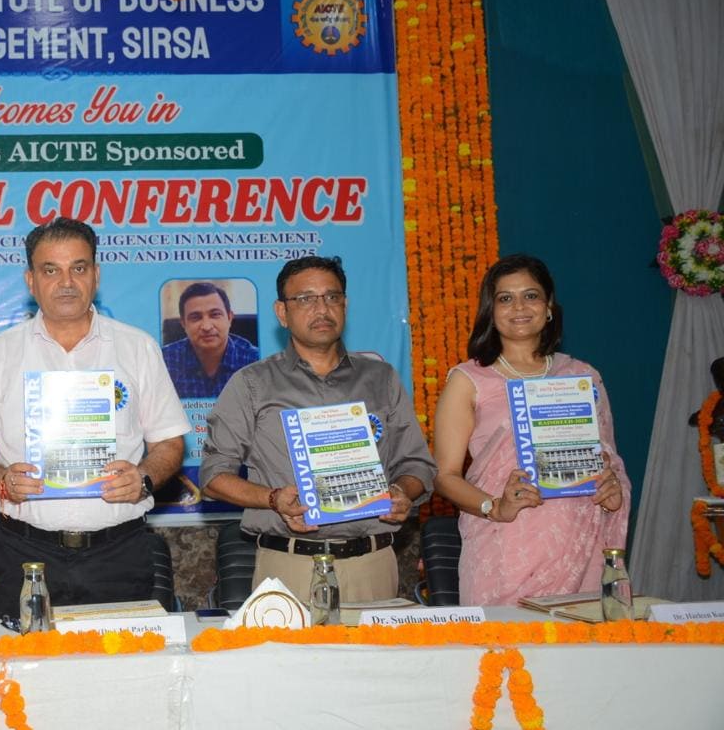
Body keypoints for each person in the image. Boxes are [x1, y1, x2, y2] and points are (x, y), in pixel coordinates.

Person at [0, 217, 190, 619]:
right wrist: (2, 481)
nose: (66, 282)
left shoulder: (137, 347)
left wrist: (143, 478)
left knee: (123, 661)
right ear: (31, 281)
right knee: (21, 661)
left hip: (118, 553)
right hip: (23, 553)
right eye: (51, 270)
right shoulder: (0, 352)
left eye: (78, 268)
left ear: (96, 275)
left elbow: (169, 442)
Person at [200, 256, 435, 603]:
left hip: (372, 565)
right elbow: (213, 475)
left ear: (345, 305)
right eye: (306, 299)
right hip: (289, 564)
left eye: (332, 297)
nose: (322, 309)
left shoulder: (381, 378)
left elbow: (418, 465)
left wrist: (403, 491)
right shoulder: (252, 384)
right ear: (282, 312)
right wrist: (272, 498)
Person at [433, 254, 629, 606]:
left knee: (579, 641)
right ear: (491, 310)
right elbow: (445, 476)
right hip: (503, 551)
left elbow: (608, 460)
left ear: (549, 306)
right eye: (505, 298)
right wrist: (495, 506)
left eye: (531, 295)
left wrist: (612, 490)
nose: (519, 307)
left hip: (579, 545)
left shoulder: (582, 377)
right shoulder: (469, 380)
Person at [162, 282, 259, 399]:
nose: (207, 327)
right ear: (183, 324)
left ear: (229, 318)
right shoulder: (164, 360)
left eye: (215, 315)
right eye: (196, 317)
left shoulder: (255, 360)